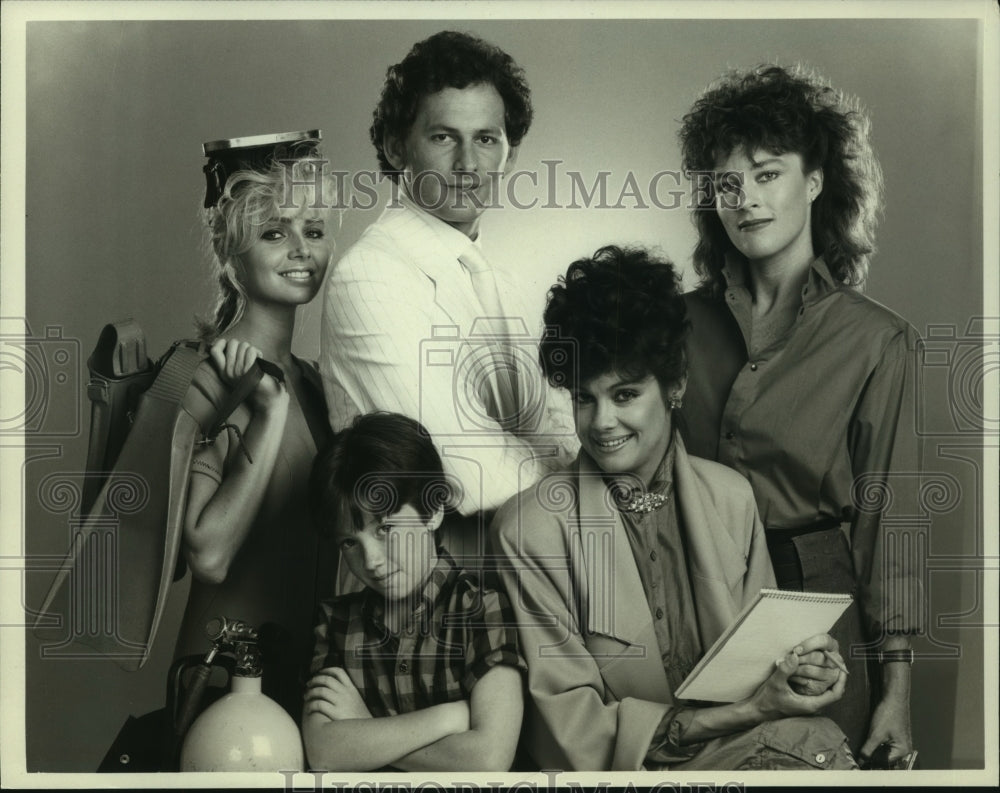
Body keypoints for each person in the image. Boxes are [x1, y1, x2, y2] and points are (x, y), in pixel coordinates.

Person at [490, 245, 858, 771]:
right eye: (583, 398)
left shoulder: (731, 497)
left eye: (624, 394)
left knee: (820, 741)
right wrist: (745, 711)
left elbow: (767, 672)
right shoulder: (529, 530)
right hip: (623, 774)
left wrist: (806, 672)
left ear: (676, 385)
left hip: (745, 753)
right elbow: (573, 736)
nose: (600, 423)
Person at [677, 63, 921, 763]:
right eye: (727, 181)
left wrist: (896, 694)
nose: (745, 199)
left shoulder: (877, 341)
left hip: (816, 611)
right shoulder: (674, 326)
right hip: (696, 599)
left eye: (766, 173)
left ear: (814, 181)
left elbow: (890, 525)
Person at [320, 30, 576, 533]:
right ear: (397, 148)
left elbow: (561, 432)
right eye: (443, 137)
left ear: (511, 153)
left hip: (532, 571)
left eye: (486, 139)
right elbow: (467, 475)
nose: (467, 165)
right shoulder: (368, 279)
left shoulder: (501, 281)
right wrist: (579, 485)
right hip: (434, 593)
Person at [174, 132, 338, 719]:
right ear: (229, 249)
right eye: (274, 233)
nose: (301, 249)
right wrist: (267, 417)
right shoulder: (205, 377)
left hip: (304, 682)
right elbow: (209, 556)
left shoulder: (317, 381)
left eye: (313, 231)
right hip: (223, 687)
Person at [303, 412, 525, 771]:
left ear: (433, 510)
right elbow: (324, 753)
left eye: (385, 529)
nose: (371, 561)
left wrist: (366, 732)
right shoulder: (335, 623)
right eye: (349, 543)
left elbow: (488, 759)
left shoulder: (481, 607)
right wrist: (447, 719)